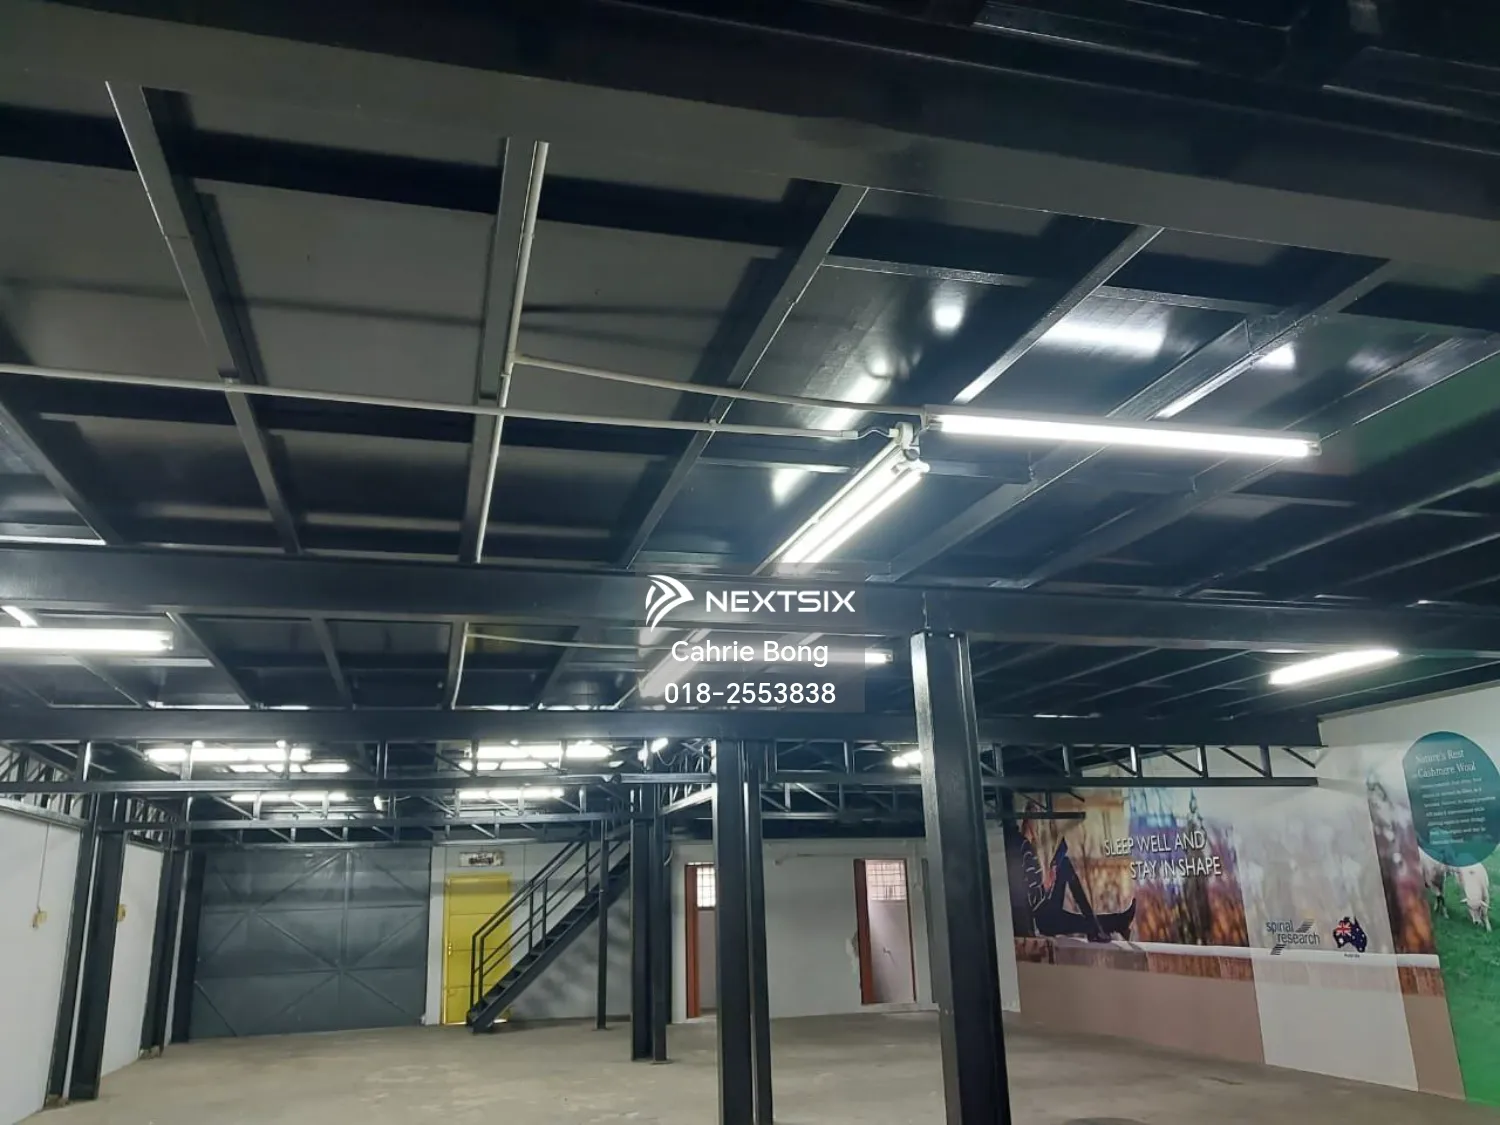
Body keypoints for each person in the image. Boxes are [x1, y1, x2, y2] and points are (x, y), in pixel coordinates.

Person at [1015, 830, 1136, 943]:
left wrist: (1051, 873)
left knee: (1064, 864)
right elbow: (1030, 900)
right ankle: (1109, 926)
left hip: (1045, 907)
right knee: (1080, 922)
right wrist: (1045, 886)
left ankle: (1107, 926)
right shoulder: (1023, 848)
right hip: (1040, 919)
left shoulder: (1027, 846)